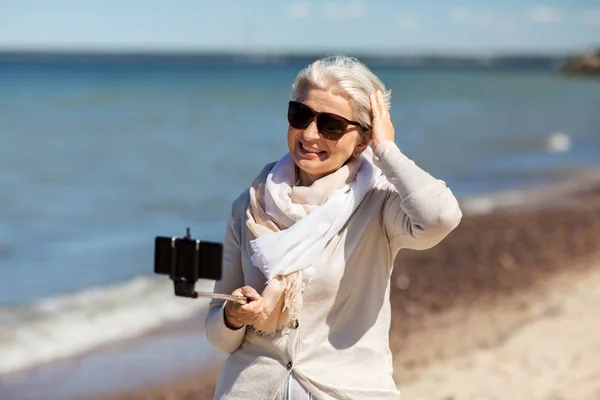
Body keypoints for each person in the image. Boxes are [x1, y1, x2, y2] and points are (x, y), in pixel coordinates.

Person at [206, 55, 462, 400]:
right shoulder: (250, 204)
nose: (309, 134)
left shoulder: (379, 204)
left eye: (331, 125)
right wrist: (233, 316)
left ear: (361, 140)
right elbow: (217, 335)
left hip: (345, 391)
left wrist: (386, 149)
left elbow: (440, 217)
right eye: (300, 116)